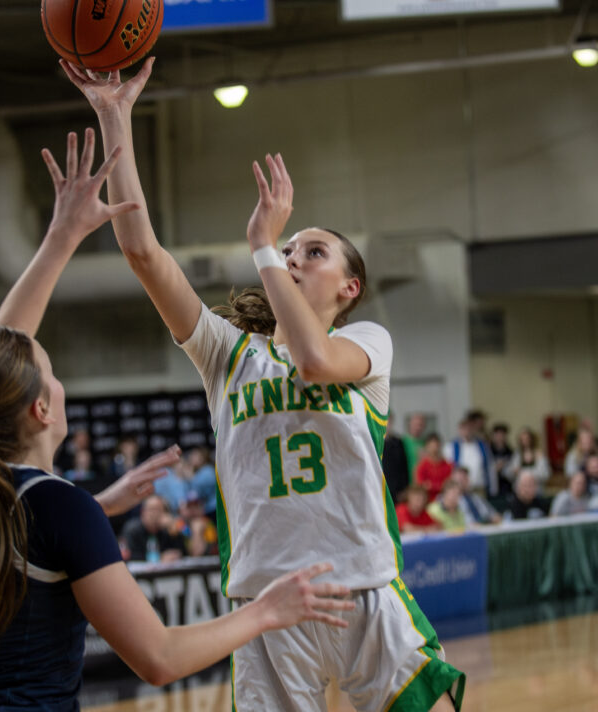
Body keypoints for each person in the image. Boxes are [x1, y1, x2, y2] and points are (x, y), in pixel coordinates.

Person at [64, 58, 465, 711]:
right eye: (289, 249)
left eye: (313, 252)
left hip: (365, 588)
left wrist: (262, 244)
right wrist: (114, 114)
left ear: (349, 287)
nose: (292, 256)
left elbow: (312, 360)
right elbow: (142, 252)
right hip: (264, 605)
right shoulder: (228, 355)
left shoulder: (368, 344)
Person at [0, 128, 355, 710]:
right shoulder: (49, 502)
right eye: (49, 370)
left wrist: (63, 233)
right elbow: (158, 658)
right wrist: (266, 611)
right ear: (41, 408)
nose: (56, 376)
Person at [416, 433, 454, 501]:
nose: (434, 449)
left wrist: (431, 486)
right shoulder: (422, 466)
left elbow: (448, 485)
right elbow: (421, 486)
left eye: (436, 446)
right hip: (426, 502)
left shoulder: (447, 465)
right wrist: (440, 486)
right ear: (427, 447)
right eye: (431, 446)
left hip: (444, 501)